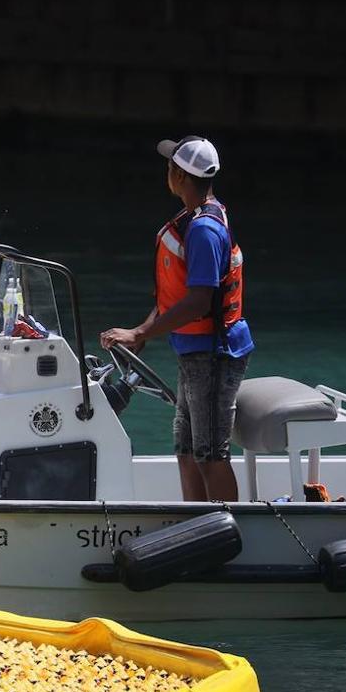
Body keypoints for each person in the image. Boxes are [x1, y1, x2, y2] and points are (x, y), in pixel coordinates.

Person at [100, 136, 254, 502]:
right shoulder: (193, 220)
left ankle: (225, 531)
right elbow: (177, 297)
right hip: (194, 354)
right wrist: (143, 336)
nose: (166, 171)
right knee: (186, 450)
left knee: (210, 455)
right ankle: (196, 525)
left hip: (215, 357)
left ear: (180, 176)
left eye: (170, 166)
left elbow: (200, 301)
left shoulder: (203, 230)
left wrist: (139, 330)